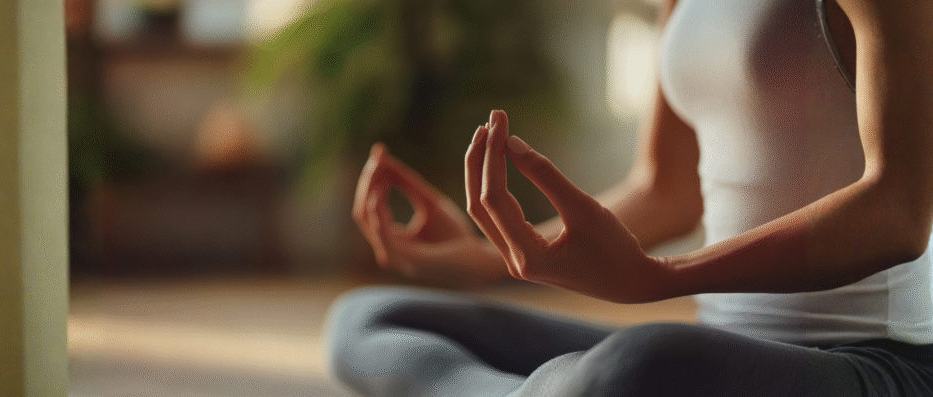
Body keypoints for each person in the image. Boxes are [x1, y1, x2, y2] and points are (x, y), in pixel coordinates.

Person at [324, 0, 933, 395]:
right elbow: (666, 190)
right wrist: (496, 253)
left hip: (876, 363)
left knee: (641, 365)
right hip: (725, 348)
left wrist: (659, 278)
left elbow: (898, 213)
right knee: (370, 318)